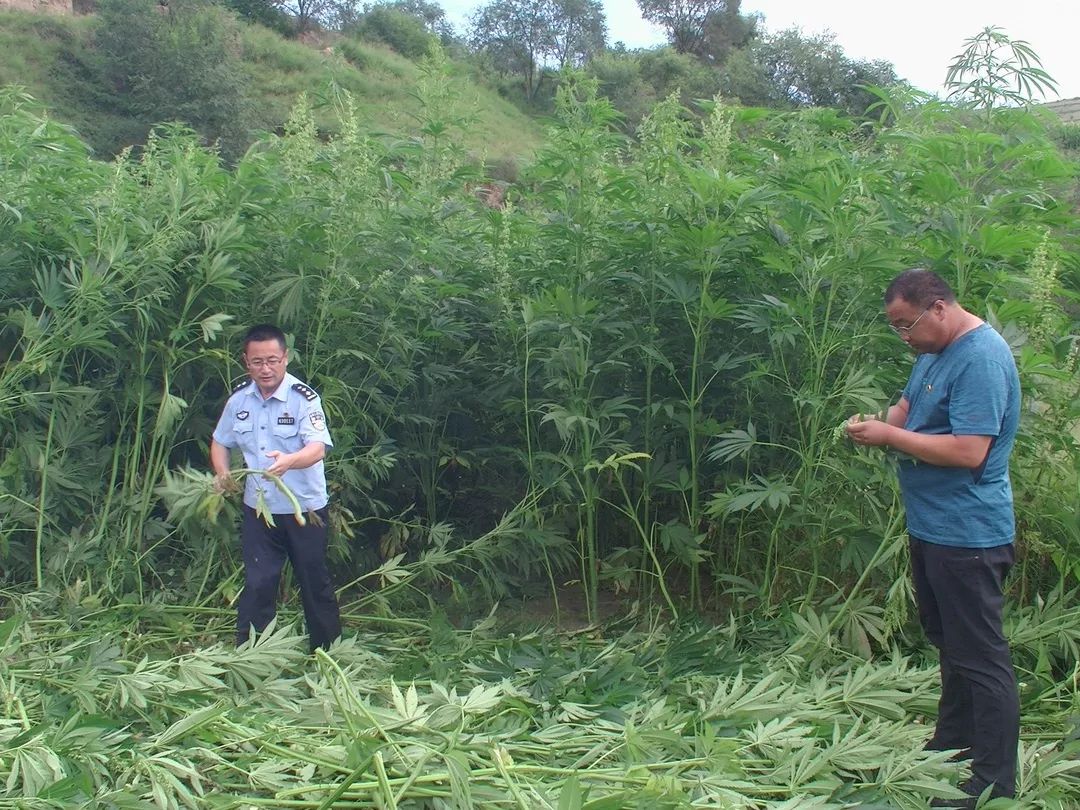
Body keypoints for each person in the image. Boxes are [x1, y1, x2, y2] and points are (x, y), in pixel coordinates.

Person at [846, 269, 1021, 806]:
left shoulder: (981, 358)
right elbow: (906, 406)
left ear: (939, 307)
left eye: (907, 324)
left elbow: (971, 451)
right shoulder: (935, 350)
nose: (904, 337)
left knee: (980, 656)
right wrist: (878, 424)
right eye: (896, 327)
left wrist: (890, 436)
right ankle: (952, 749)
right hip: (933, 526)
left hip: (969, 533)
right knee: (951, 647)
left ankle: (992, 782)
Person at [210, 324, 341, 652]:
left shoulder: (304, 400)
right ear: (246, 362)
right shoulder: (239, 400)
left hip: (305, 510)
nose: (265, 369)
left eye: (272, 360)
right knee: (258, 583)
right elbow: (219, 441)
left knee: (314, 583)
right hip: (260, 510)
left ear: (285, 358)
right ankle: (251, 657)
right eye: (257, 362)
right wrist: (223, 472)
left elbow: (318, 448)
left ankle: (327, 654)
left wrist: (290, 460)